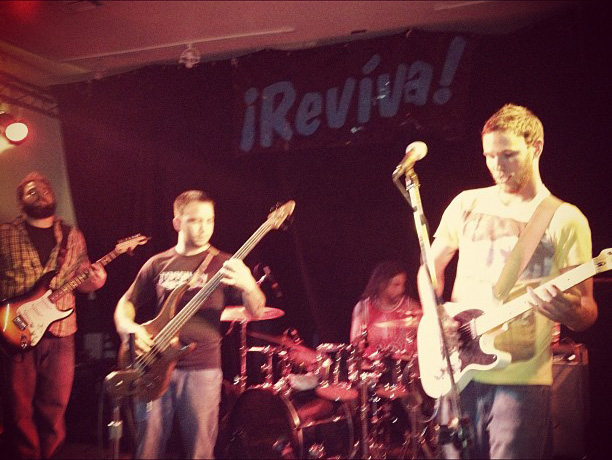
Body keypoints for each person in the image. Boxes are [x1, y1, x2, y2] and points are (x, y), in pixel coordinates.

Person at [417, 104, 598, 458]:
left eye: (508, 154)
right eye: (489, 156)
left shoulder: (565, 219)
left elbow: (587, 310)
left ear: (536, 146)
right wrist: (434, 315)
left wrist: (570, 310)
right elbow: (429, 268)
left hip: (521, 382)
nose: (497, 165)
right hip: (457, 371)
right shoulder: (466, 203)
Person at [113, 189, 265, 459]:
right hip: (152, 364)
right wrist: (129, 329)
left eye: (209, 220)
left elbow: (257, 310)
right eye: (195, 220)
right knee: (147, 449)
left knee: (200, 452)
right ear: (177, 223)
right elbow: (126, 302)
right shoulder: (158, 263)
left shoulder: (226, 264)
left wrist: (249, 286)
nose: (204, 227)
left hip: (202, 369)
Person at [0, 171, 107, 459]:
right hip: (15, 333)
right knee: (18, 409)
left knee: (56, 406)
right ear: (20, 201)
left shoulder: (73, 236)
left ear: (53, 196)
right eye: (31, 191)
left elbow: (83, 281)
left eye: (44, 189)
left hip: (61, 333)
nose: (39, 193)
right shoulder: (4, 233)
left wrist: (96, 281)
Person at [350, 261, 421, 357]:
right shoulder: (363, 308)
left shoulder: (412, 307)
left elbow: (424, 341)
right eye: (396, 284)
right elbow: (356, 347)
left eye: (403, 284)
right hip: (376, 364)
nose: (402, 289)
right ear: (382, 284)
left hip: (406, 364)